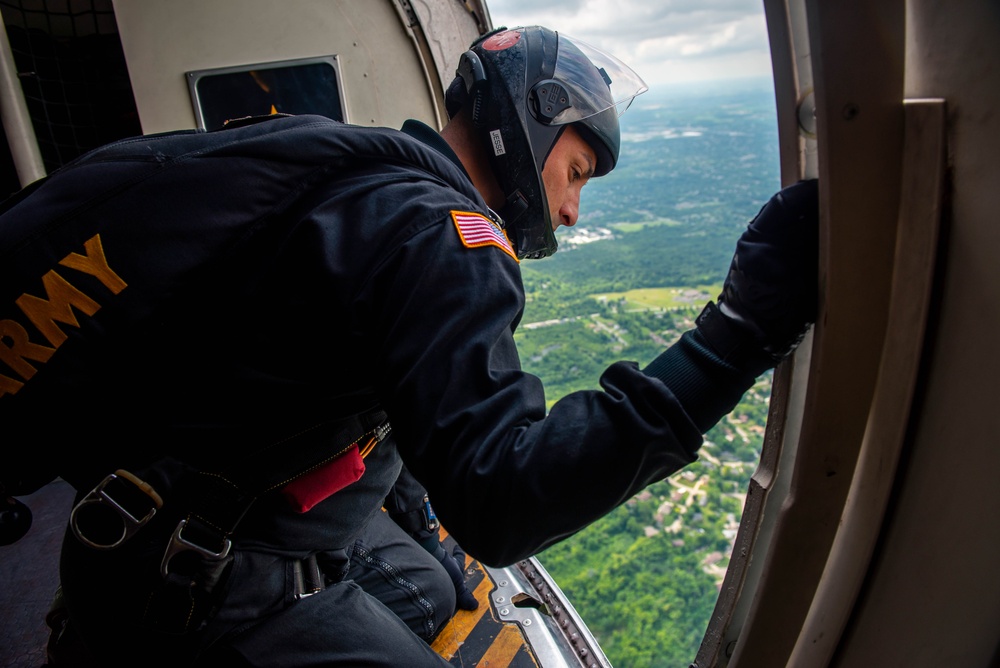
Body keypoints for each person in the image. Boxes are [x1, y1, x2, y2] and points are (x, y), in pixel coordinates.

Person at [0, 25, 818, 667]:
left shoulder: (362, 178)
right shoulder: (446, 238)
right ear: (533, 130)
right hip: (198, 578)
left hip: (128, 528)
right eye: (577, 172)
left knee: (427, 586)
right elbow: (503, 502)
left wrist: (414, 505)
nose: (570, 211)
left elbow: (337, 388)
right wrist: (732, 341)